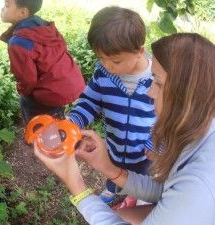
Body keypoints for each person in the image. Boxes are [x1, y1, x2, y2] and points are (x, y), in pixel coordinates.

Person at [34, 32, 215, 224]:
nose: (150, 91)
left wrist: (75, 183)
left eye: (159, 83)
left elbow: (181, 190)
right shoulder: (200, 129)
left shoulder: (198, 182)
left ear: (186, 96)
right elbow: (167, 190)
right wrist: (109, 168)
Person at [67, 6, 155, 205]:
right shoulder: (103, 73)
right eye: (101, 58)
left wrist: (155, 142)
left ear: (139, 51)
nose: (107, 65)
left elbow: (169, 118)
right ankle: (113, 188)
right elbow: (90, 101)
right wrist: (74, 120)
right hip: (114, 145)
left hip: (145, 152)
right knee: (113, 167)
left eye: (115, 60)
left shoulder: (157, 79)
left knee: (144, 181)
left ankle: (138, 197)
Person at [0, 0, 85, 124]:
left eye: (6, 5)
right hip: (65, 85)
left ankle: (38, 137)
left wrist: (21, 90)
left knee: (31, 111)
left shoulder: (18, 42)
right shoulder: (44, 27)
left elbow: (27, 80)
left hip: (50, 92)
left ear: (22, 12)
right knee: (55, 120)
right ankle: (58, 129)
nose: (2, 9)